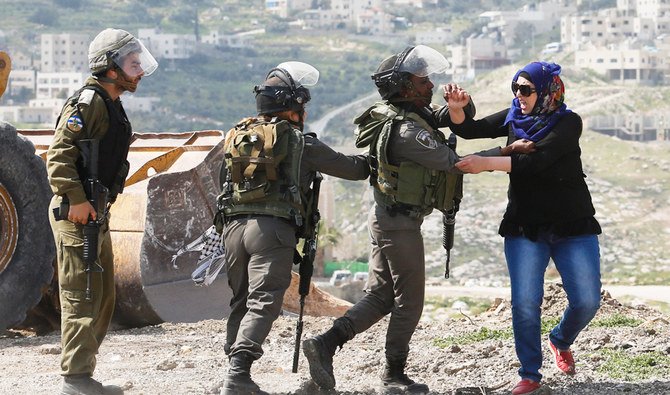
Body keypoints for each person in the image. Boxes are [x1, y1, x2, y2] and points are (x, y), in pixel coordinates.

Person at [302, 45, 474, 394]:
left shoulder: (402, 116)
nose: (430, 85)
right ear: (405, 88)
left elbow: (454, 118)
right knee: (410, 302)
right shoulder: (408, 131)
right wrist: (502, 155)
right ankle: (394, 375)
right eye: (422, 80)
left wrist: (460, 108)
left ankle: (325, 344)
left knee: (382, 297)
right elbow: (448, 160)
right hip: (398, 224)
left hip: (387, 218)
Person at [449, 61, 602, 395]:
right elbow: (469, 130)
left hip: (572, 224)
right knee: (524, 302)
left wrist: (486, 164)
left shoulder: (567, 122)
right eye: (516, 88)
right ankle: (530, 374)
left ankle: (560, 339)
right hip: (525, 225)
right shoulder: (512, 117)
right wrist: (457, 111)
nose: (519, 95)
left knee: (588, 301)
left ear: (546, 90)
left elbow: (537, 161)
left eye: (526, 89)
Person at [217, 61, 370, 395]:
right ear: (293, 107)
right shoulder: (301, 143)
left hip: (232, 231)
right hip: (271, 232)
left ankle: (232, 372)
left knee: (241, 302)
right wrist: (378, 158)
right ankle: (238, 375)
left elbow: (223, 185)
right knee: (264, 302)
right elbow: (353, 169)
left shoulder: (238, 136)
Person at [46, 28, 157, 395]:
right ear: (110, 68)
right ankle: (75, 380)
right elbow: (59, 157)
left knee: (103, 294)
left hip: (95, 211)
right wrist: (76, 200)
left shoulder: (112, 104)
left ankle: (83, 374)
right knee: (83, 293)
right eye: (132, 63)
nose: (138, 70)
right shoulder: (89, 103)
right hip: (76, 212)